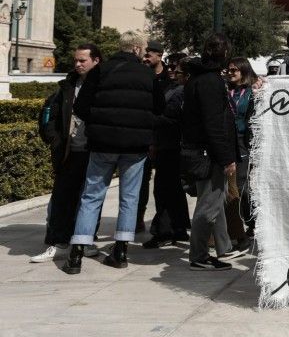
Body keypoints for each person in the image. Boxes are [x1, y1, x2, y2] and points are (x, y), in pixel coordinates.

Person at [63, 31, 164, 274]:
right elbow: (160, 108)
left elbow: (81, 106)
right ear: (138, 50)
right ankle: (120, 252)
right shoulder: (147, 74)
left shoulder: (101, 70)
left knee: (91, 195)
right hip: (135, 147)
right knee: (129, 198)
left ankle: (76, 255)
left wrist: (98, 125)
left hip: (102, 144)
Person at [30, 44, 102, 263]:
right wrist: (55, 140)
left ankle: (84, 241)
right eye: (76, 60)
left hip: (94, 152)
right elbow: (49, 116)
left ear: (96, 61)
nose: (78, 64)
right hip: (69, 152)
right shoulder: (67, 86)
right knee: (63, 198)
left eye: (83, 60)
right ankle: (59, 242)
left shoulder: (104, 85)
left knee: (90, 200)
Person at [183, 33, 241, 271]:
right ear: (225, 54)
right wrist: (226, 158)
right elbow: (214, 124)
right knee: (208, 207)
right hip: (209, 154)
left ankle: (223, 247)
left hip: (201, 151)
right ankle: (198, 255)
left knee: (214, 203)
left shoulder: (199, 79)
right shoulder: (210, 82)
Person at [143, 57, 192, 249]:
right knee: (171, 190)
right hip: (167, 145)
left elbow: (170, 116)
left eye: (176, 68)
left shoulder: (181, 91)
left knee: (164, 189)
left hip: (172, 146)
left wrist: (150, 119)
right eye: (170, 66)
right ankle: (177, 228)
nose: (171, 70)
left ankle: (164, 231)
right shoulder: (171, 88)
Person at [136, 39, 172, 234]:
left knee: (163, 184)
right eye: (145, 54)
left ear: (160, 55)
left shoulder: (170, 78)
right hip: (144, 135)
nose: (146, 57)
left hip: (164, 137)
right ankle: (138, 217)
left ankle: (164, 221)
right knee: (141, 179)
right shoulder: (141, 75)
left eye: (150, 54)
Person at [224, 57, 256, 253]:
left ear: (244, 71)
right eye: (229, 70)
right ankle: (236, 227)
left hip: (244, 142)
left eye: (234, 70)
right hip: (228, 140)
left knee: (243, 187)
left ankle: (251, 222)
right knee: (231, 186)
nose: (231, 73)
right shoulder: (226, 90)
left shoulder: (252, 92)